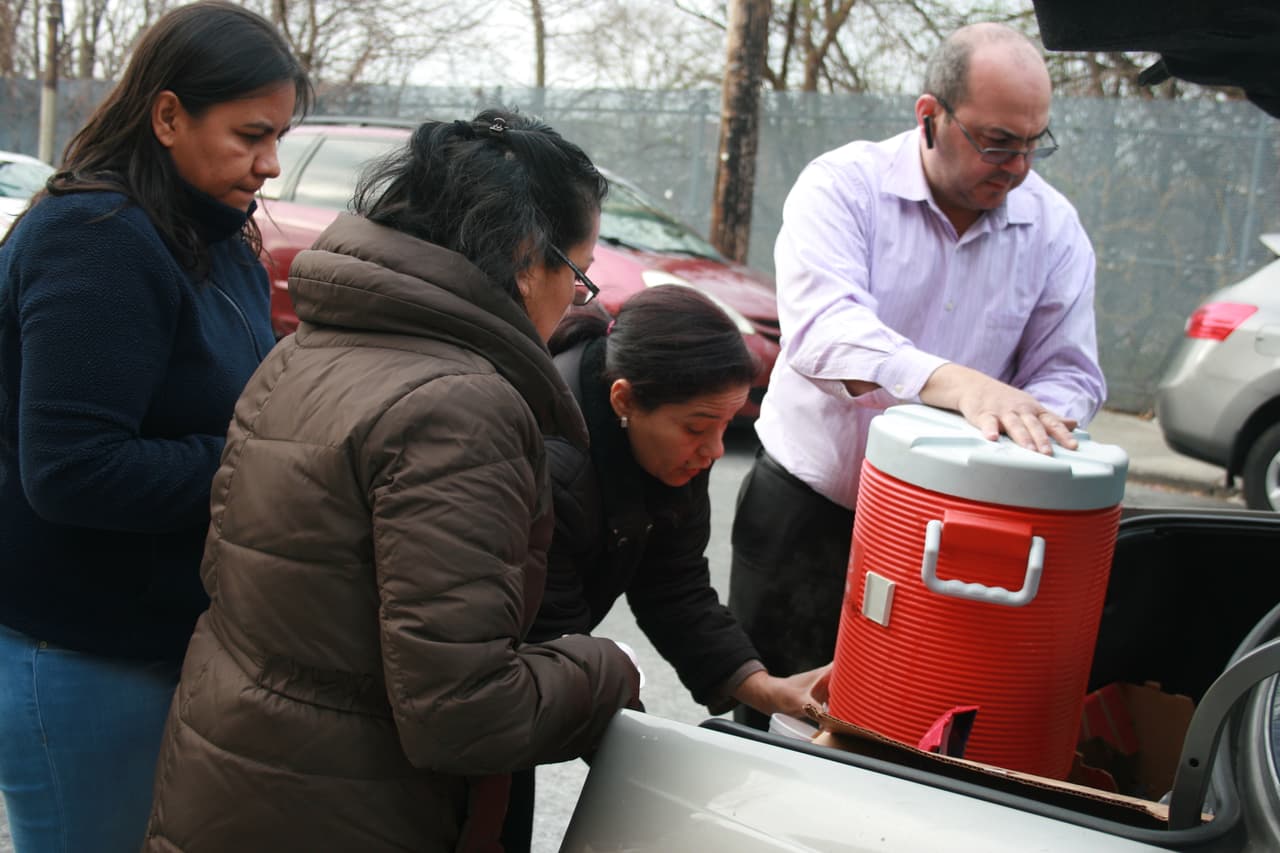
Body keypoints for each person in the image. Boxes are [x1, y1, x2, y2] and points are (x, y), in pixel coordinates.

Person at [143, 108, 641, 852]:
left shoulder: (306, 351)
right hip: (351, 809)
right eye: (578, 274)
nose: (576, 300)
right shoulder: (462, 406)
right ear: (521, 257)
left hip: (233, 779)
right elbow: (464, 712)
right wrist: (605, 668)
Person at [729, 22, 1108, 729]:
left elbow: (1070, 373)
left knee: (909, 728)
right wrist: (957, 384)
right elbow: (825, 330)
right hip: (807, 511)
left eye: (1034, 142)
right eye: (997, 141)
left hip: (956, 527)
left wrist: (1034, 422)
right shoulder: (843, 187)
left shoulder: (1054, 227)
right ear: (929, 116)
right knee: (768, 720)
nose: (1018, 165)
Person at [0, 3, 310, 851]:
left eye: (280, 136)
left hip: (160, 641)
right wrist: (261, 468)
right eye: (251, 135)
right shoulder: (95, 239)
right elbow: (72, 469)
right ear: (168, 115)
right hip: (78, 656)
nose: (271, 164)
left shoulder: (214, 238)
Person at [500, 286, 834, 850]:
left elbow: (675, 587)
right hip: (481, 682)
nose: (714, 451)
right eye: (698, 428)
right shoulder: (550, 462)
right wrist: (667, 769)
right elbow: (553, 643)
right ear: (624, 399)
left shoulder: (673, 443)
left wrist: (766, 688)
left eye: (727, 426)